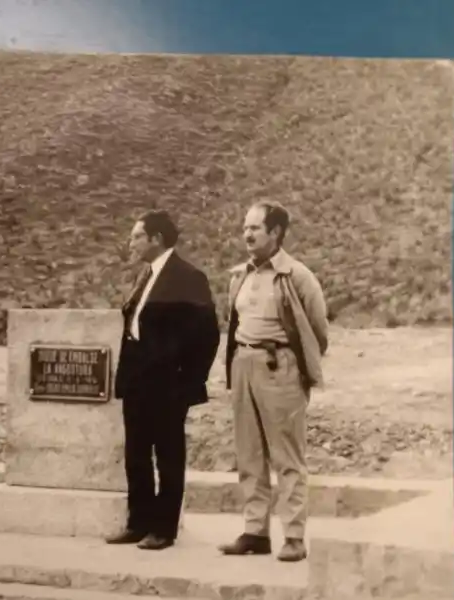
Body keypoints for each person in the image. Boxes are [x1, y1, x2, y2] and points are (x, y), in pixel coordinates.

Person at [217, 201, 328, 563]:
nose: (247, 234)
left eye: (255, 228)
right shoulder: (240, 275)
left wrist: (294, 366)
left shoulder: (297, 275)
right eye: (245, 228)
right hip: (243, 362)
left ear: (276, 232)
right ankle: (255, 532)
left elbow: (317, 331)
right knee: (248, 453)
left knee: (287, 455)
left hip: (279, 366)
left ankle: (294, 536)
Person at [105, 210, 220, 551]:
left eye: (137, 236)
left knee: (168, 456)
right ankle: (138, 522)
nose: (132, 242)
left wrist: (189, 383)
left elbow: (207, 335)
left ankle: (164, 529)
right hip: (139, 381)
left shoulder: (188, 277)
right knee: (136, 454)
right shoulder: (146, 275)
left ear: (156, 239)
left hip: (169, 386)